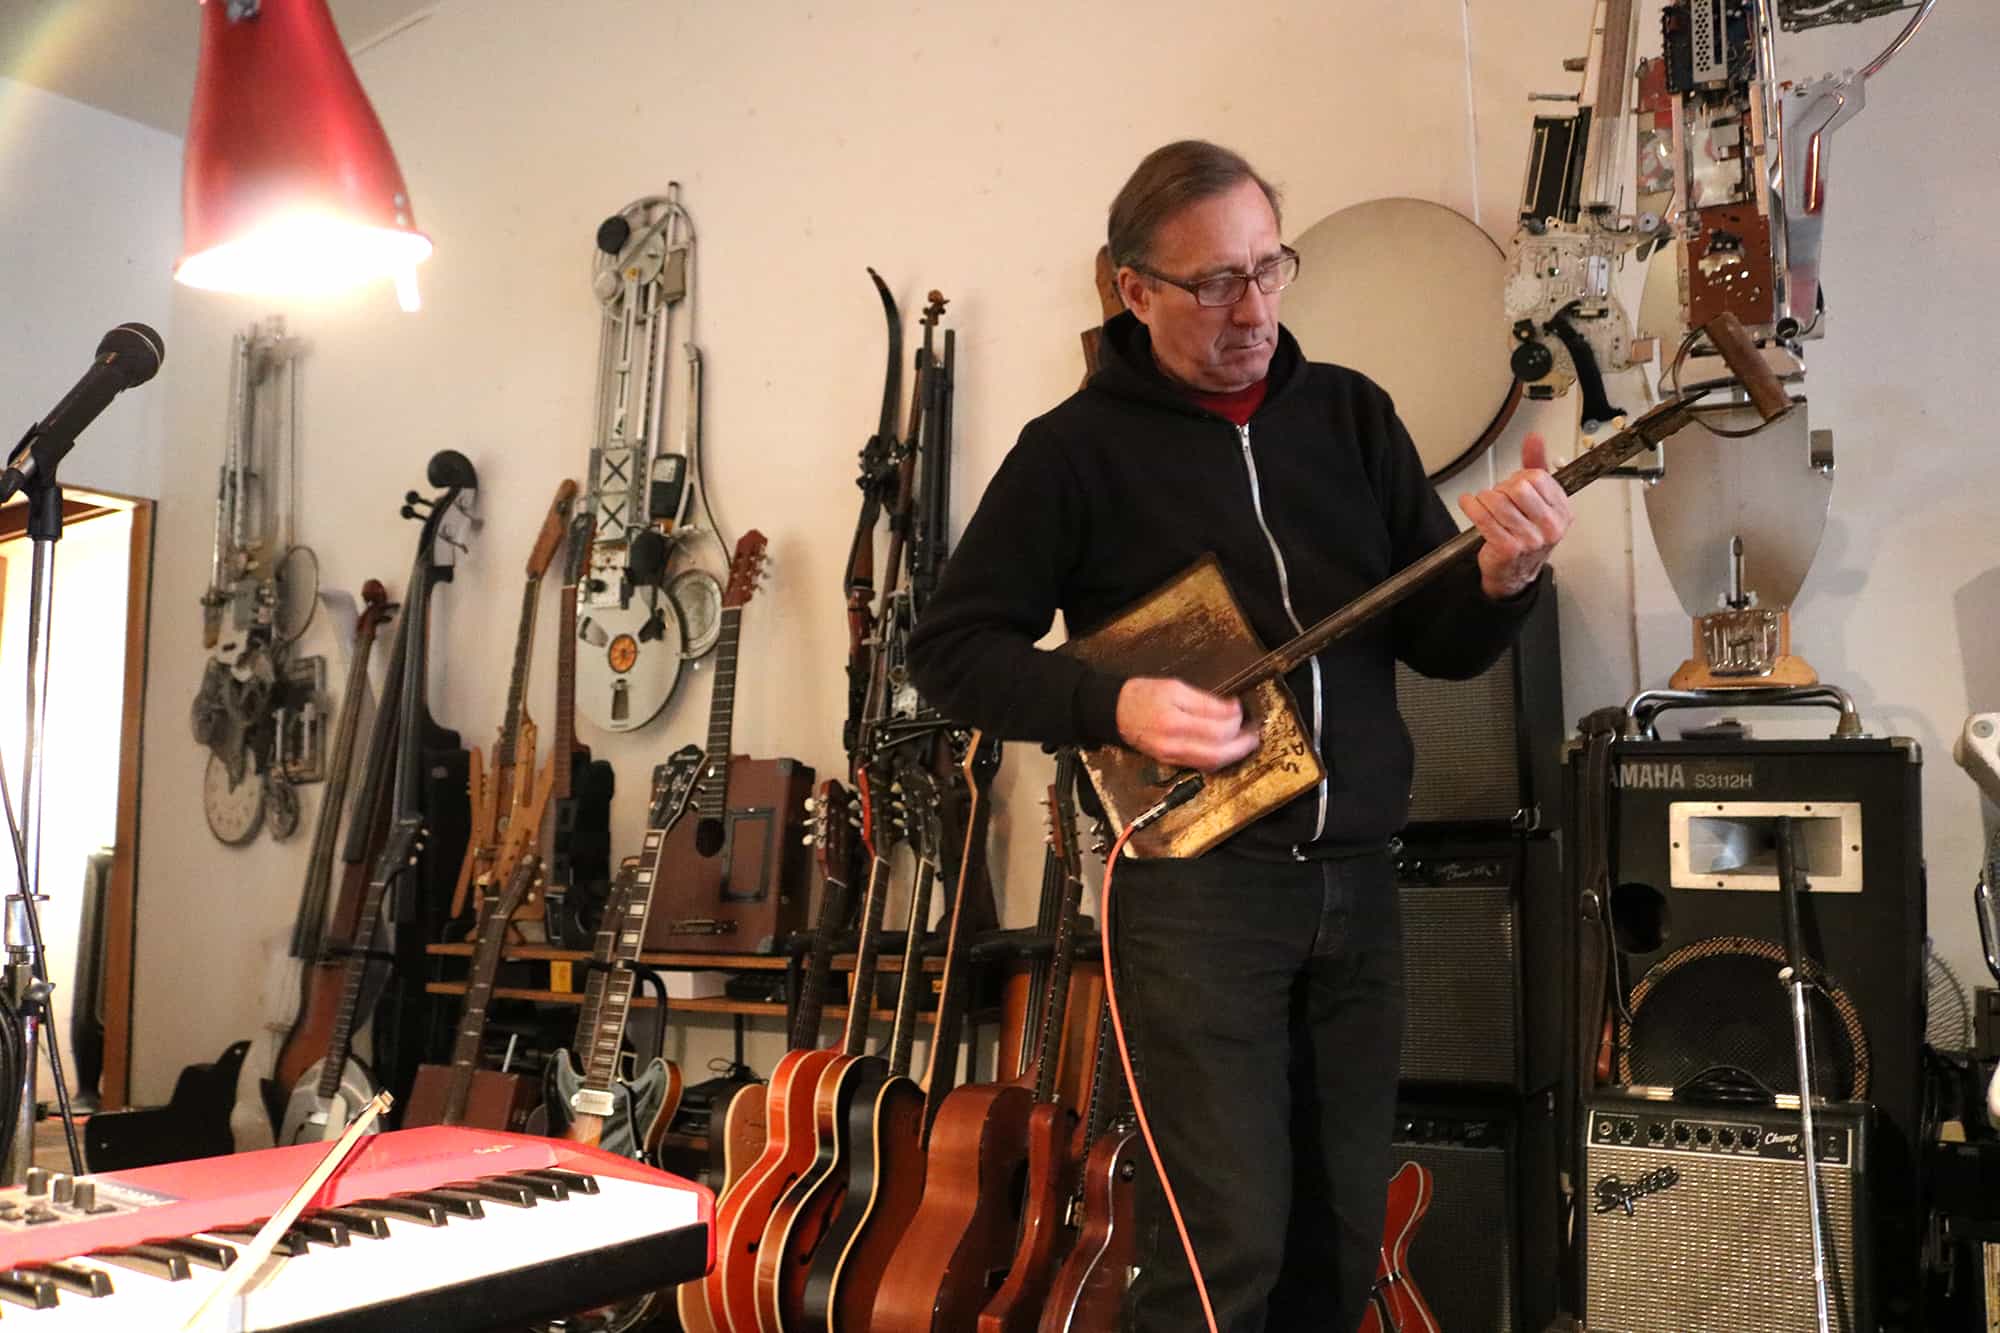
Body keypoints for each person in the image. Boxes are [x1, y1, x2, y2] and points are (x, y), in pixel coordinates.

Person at [906, 140, 1572, 1333]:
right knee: (1223, 1253)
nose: (1253, 309)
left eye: (1268, 268)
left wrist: (1502, 578)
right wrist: (1109, 703)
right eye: (1214, 281)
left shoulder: (1350, 416)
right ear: (1133, 289)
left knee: (1338, 1242)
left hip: (1358, 885)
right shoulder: (1072, 453)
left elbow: (1440, 641)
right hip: (1196, 898)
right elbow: (950, 650)